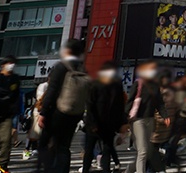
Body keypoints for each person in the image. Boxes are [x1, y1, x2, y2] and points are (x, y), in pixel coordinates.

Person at [38, 39, 89, 173]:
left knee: (43, 144)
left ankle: (48, 169)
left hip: (57, 113)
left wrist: (43, 112)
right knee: (64, 147)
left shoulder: (61, 66)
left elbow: (52, 91)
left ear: (67, 50)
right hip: (74, 114)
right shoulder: (83, 69)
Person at [126, 60, 169, 173]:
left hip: (150, 119)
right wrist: (124, 121)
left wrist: (165, 116)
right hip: (137, 120)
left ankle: (128, 170)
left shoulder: (155, 86)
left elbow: (159, 103)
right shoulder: (138, 83)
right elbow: (129, 102)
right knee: (143, 151)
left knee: (147, 152)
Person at [83, 62, 126, 173]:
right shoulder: (96, 84)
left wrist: (122, 123)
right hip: (97, 123)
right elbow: (90, 104)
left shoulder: (116, 85)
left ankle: (104, 170)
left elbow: (120, 105)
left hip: (107, 124)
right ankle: (86, 170)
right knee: (91, 151)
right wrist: (93, 123)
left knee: (105, 150)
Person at [0, 56, 21, 173]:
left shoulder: (15, 79)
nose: (12, 65)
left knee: (6, 141)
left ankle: (2, 166)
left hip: (6, 114)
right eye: (9, 63)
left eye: (13, 63)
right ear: (3, 65)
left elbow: (15, 96)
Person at [23, 82, 48, 161]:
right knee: (33, 133)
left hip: (42, 111)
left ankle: (36, 150)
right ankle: (27, 150)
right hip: (38, 111)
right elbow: (39, 99)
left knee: (38, 134)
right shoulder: (44, 86)